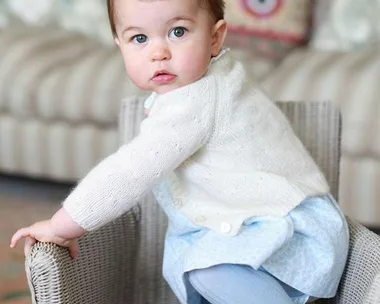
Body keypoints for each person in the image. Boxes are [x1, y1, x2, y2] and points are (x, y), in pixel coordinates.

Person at [10, 0, 349, 303]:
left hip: (284, 230)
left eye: (177, 31)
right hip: (266, 219)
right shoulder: (212, 80)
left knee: (207, 271)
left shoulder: (195, 101)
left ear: (215, 38)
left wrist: (63, 225)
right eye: (139, 39)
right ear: (120, 45)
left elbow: (130, 172)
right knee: (200, 269)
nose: (159, 52)